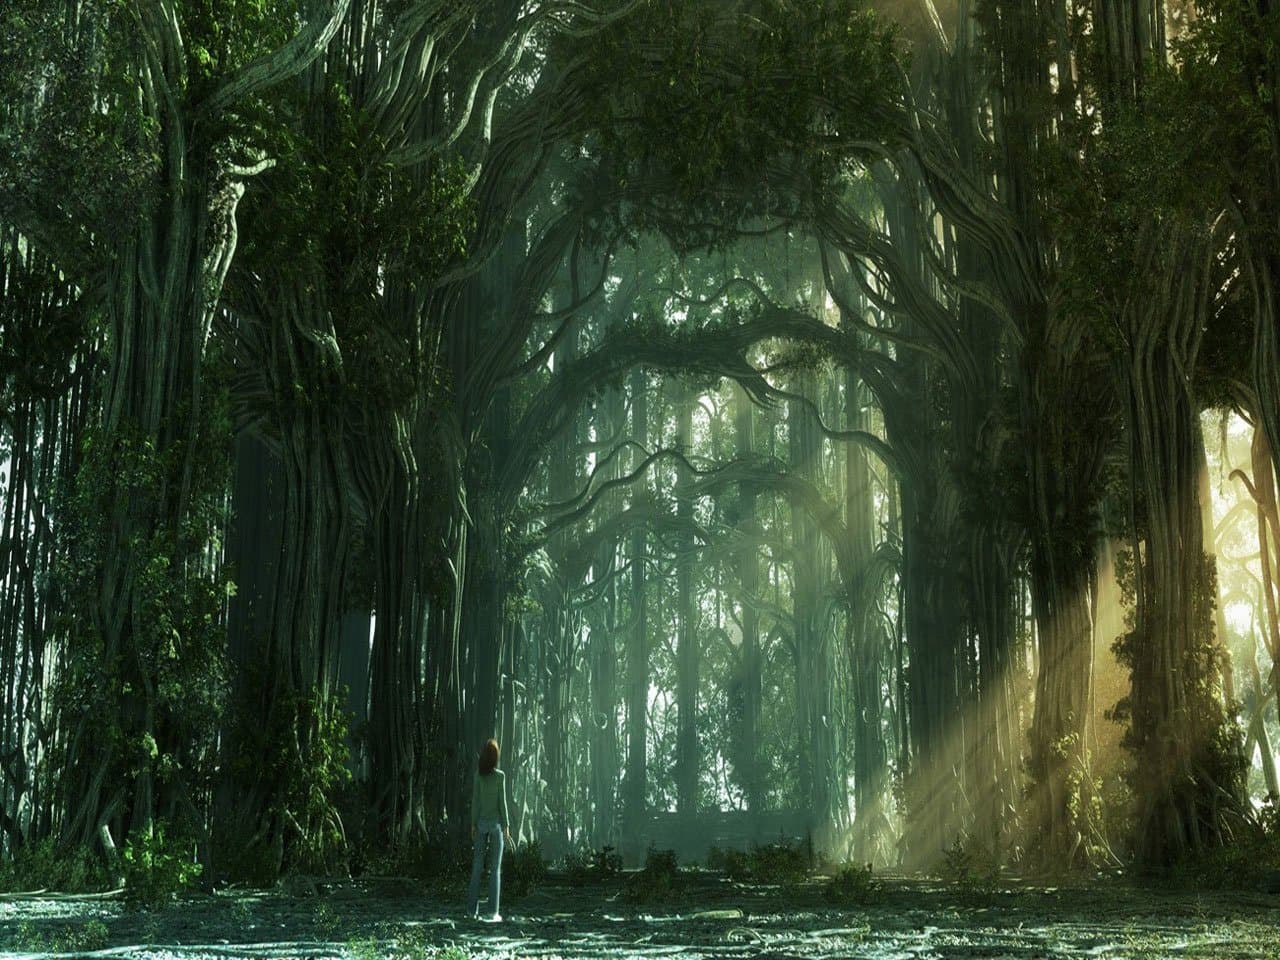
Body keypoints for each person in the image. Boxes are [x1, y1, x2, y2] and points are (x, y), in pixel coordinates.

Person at [466, 737, 511, 920]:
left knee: (477, 867)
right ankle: (493, 912)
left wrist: (473, 823)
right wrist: (506, 826)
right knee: (495, 870)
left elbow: (476, 802)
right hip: (496, 826)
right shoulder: (500, 776)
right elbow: (503, 803)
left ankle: (471, 911)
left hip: (482, 824)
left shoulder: (478, 775)